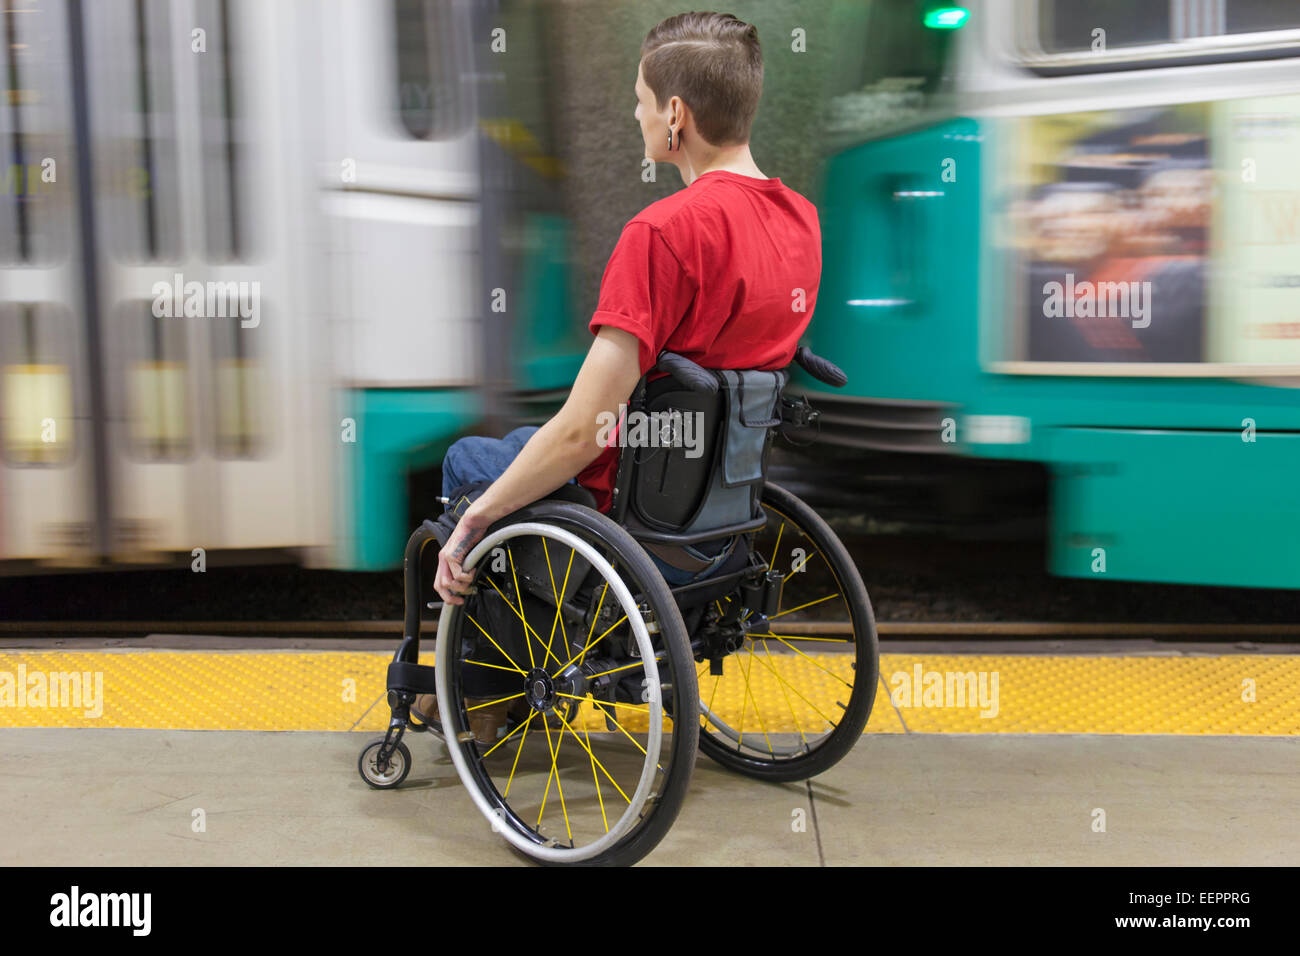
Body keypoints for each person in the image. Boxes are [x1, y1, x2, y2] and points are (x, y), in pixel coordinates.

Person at [419, 11, 822, 739]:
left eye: (639, 100)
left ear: (676, 114)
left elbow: (581, 432)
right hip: (719, 508)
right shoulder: (801, 221)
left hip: (628, 502)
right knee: (515, 447)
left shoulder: (662, 234)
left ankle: (489, 692)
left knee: (470, 462)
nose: (635, 114)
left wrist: (473, 523)